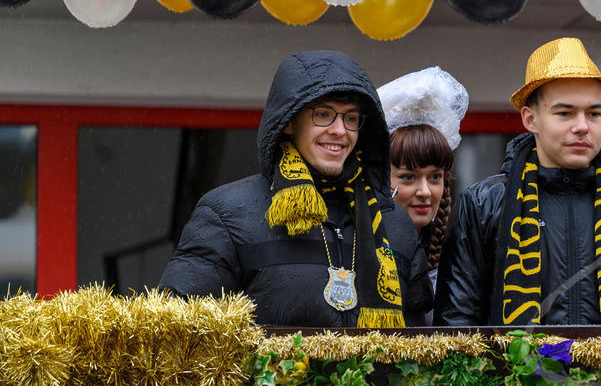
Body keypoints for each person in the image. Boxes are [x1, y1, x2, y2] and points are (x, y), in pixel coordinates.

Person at [159, 50, 433, 327]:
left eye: (351, 118)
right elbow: (179, 333)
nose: (340, 130)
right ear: (288, 122)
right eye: (323, 114)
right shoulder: (226, 212)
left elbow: (419, 348)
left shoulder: (393, 221)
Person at [434, 37, 601, 326]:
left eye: (593, 114)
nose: (582, 126)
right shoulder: (484, 204)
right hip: (514, 371)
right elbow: (457, 322)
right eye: (565, 113)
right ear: (530, 120)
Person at [379, 66, 469, 289]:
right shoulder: (354, 250)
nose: (425, 191)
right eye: (408, 176)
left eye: (435, 177)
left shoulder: (462, 251)